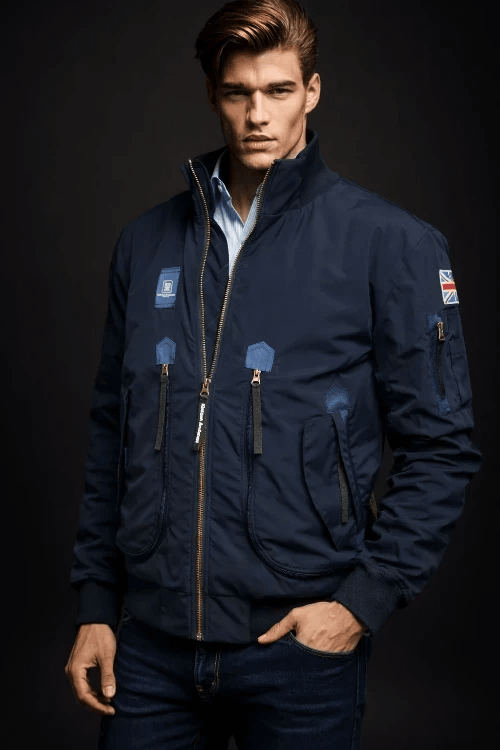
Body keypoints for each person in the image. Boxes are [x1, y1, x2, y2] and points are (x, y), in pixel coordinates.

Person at [64, 1, 482, 747]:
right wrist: (97, 604)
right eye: (238, 92)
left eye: (279, 90)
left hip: (299, 650)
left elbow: (443, 445)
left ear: (311, 92)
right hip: (150, 648)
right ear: (213, 96)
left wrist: (361, 603)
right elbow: (111, 433)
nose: (258, 114)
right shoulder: (145, 243)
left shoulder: (393, 244)